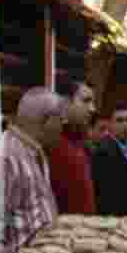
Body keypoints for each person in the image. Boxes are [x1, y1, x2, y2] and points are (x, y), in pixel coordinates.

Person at [0, 87, 61, 253]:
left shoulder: (34, 150)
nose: (62, 127)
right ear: (48, 121)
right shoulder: (3, 156)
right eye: (61, 120)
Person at [48, 79, 97, 214]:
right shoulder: (50, 144)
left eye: (93, 102)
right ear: (66, 103)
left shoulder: (81, 144)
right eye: (86, 101)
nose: (93, 109)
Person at [91, 104, 127, 216]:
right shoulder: (104, 151)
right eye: (119, 120)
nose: (125, 125)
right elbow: (103, 195)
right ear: (110, 124)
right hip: (112, 219)